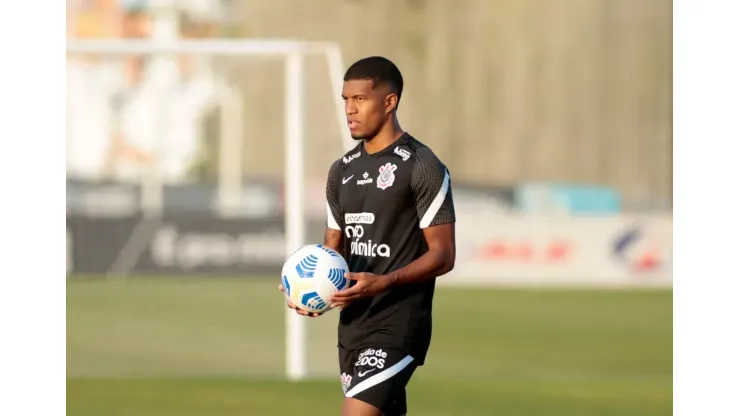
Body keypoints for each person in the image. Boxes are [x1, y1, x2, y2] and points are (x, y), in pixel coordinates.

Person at [279, 56, 456, 416]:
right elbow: (333, 248)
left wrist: (384, 281)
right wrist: (315, 292)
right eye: (346, 99)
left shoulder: (422, 166)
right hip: (353, 327)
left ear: (389, 102)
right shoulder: (341, 171)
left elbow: (443, 255)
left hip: (398, 324)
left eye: (360, 99)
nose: (350, 109)